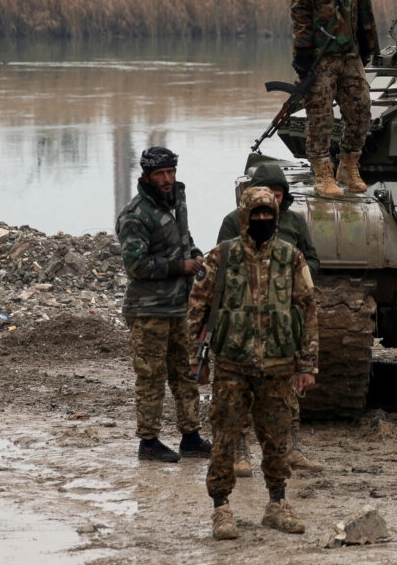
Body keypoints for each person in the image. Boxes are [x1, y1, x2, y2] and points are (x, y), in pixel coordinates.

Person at [189, 187, 319, 540]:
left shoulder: (291, 257)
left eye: (268, 214)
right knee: (225, 437)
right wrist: (196, 361)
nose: (262, 220)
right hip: (232, 364)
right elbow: (197, 307)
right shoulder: (222, 256)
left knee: (276, 439)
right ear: (244, 217)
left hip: (278, 365)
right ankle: (221, 508)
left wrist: (307, 364)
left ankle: (277, 504)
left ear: (276, 217)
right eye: (256, 214)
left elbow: (307, 311)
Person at [215, 161, 322, 477]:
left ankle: (291, 449)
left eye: (278, 194)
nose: (272, 200)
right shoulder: (233, 222)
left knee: (286, 389)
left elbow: (311, 258)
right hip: (244, 318)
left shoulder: (294, 222)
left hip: (282, 317)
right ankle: (240, 453)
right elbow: (221, 264)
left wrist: (296, 280)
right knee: (241, 389)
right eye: (267, 193)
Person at [115, 146, 212, 463]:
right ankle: (149, 442)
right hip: (148, 311)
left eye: (171, 172)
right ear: (147, 176)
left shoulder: (175, 202)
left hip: (178, 307)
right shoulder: (135, 215)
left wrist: (195, 255)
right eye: (160, 174)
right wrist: (180, 266)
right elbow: (135, 265)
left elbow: (184, 239)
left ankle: (191, 437)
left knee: (184, 373)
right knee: (151, 376)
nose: (167, 179)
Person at [291, 0, 380, 198]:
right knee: (320, 117)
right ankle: (322, 174)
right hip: (321, 55)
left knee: (361, 109)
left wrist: (368, 45)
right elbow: (300, 10)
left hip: (350, 52)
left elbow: (364, 3)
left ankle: (348, 166)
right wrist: (303, 54)